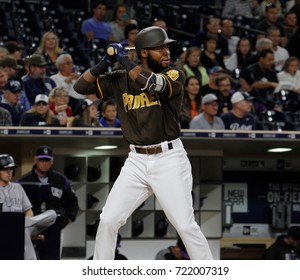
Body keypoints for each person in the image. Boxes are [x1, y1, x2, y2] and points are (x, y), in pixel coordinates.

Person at [73, 26, 214, 260]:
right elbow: (80, 88)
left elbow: (153, 84)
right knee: (108, 219)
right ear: (145, 52)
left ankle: (208, 270)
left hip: (169, 158)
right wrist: (105, 62)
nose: (167, 52)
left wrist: (125, 62)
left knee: (185, 225)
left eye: (167, 47)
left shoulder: (174, 74)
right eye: (160, 48)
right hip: (136, 160)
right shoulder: (119, 79)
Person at [17, 145, 79, 259]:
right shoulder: (23, 181)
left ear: (52, 161)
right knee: (29, 257)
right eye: (41, 160)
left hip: (56, 226)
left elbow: (72, 201)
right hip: (31, 226)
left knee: (53, 258)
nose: (44, 163)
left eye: (47, 160)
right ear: (35, 160)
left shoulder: (61, 179)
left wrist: (69, 219)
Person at [0, 154, 57, 260]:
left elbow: (28, 211)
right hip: (4, 229)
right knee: (23, 231)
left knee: (52, 214)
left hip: (24, 224)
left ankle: (21, 225)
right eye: (5, 169)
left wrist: (23, 223)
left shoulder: (18, 187)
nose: (9, 172)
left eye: (11, 169)